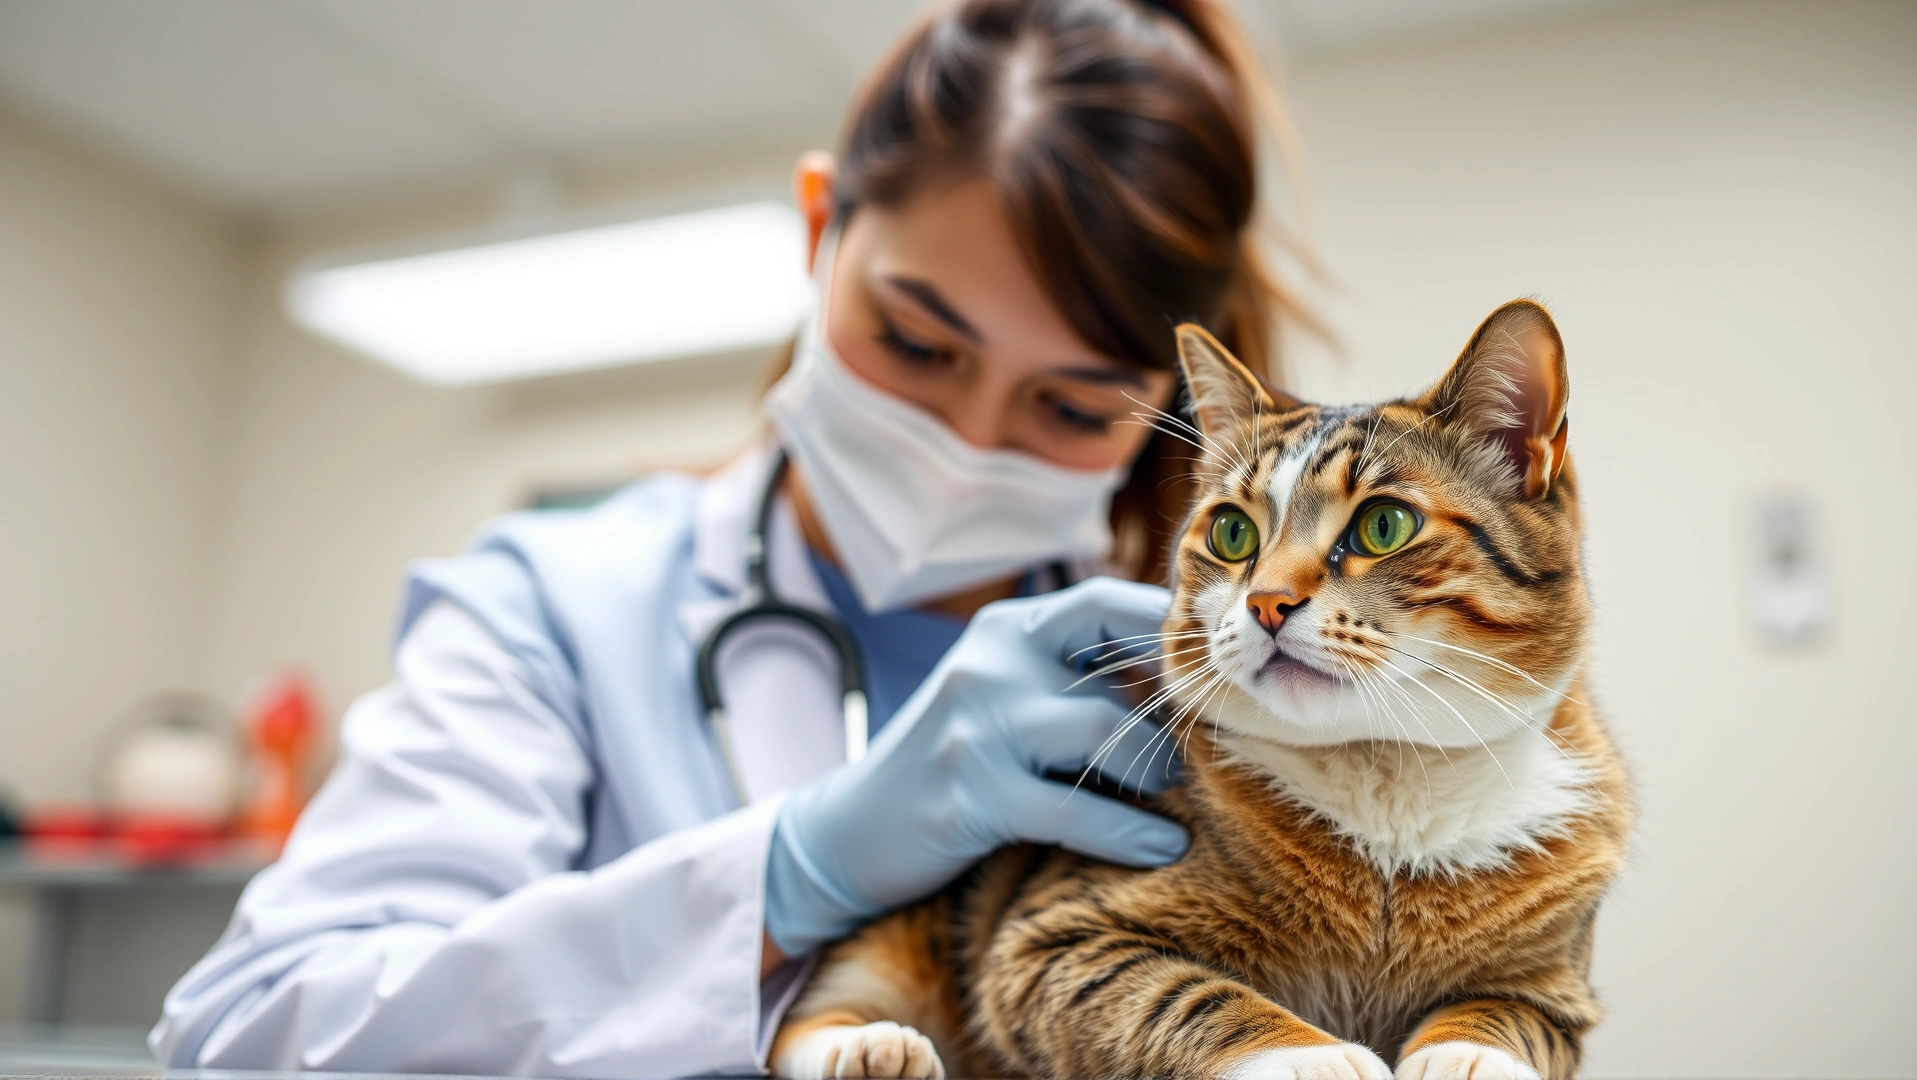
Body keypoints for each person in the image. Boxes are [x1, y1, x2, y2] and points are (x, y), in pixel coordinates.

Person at [152, 1, 1303, 1075]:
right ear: (820, 232)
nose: (965, 441)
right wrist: (790, 871)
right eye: (914, 343)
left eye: (1068, 406)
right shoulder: (553, 605)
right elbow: (255, 1025)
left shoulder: (1201, 694)